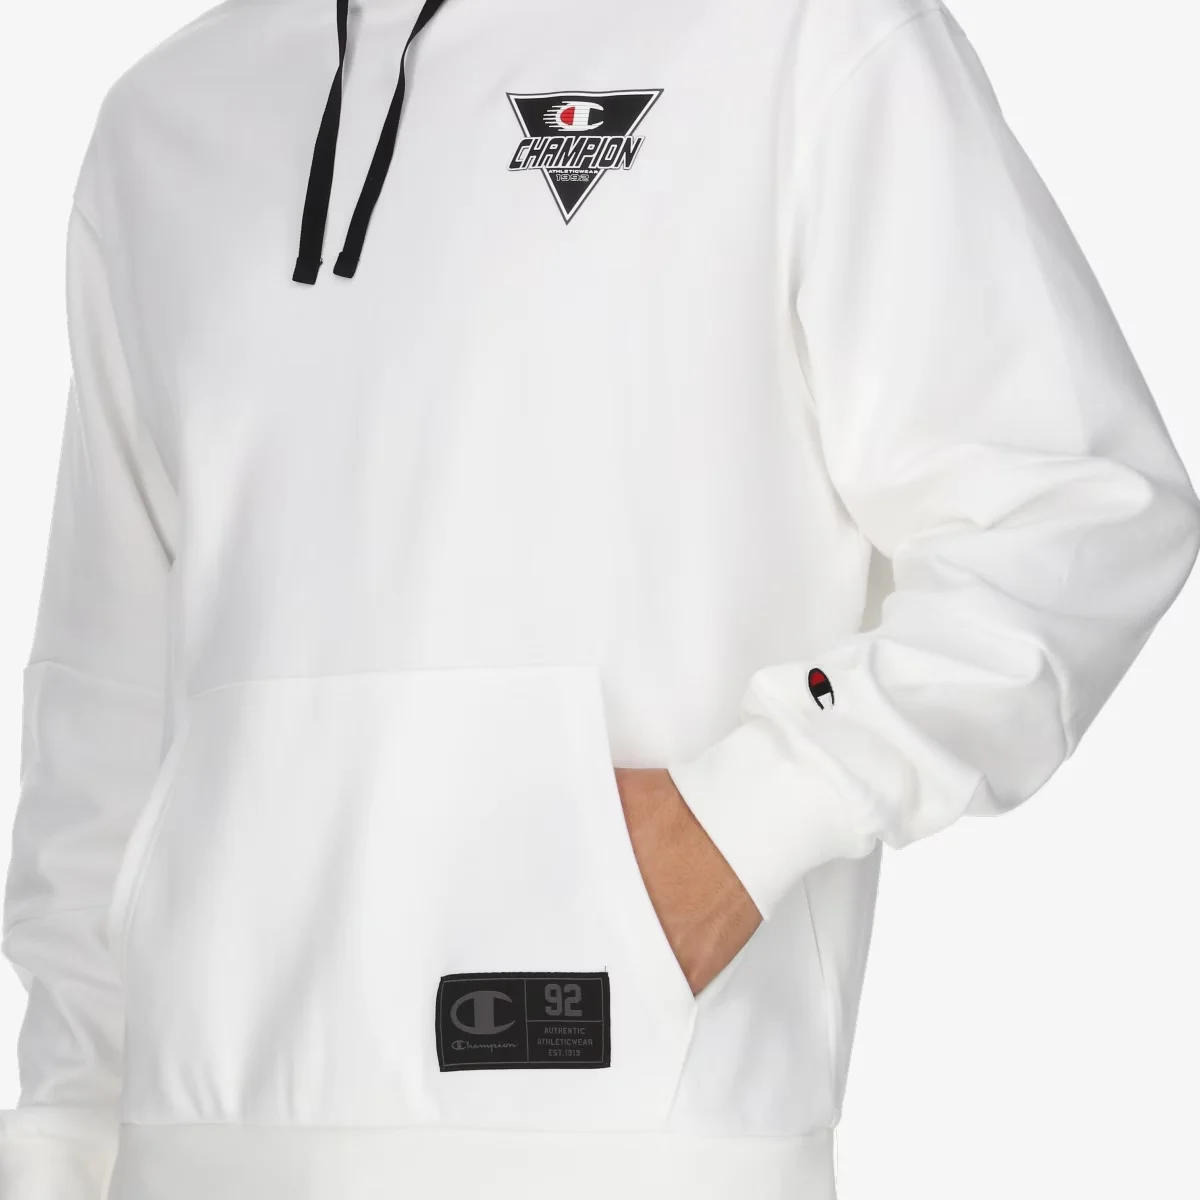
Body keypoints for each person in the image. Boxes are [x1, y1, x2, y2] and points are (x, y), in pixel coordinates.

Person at [1, 0, 1197, 1197]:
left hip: (636, 1126)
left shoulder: (802, 34)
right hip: (190, 1140)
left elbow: (1076, 510)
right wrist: (60, 1133)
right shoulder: (165, 120)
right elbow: (103, 698)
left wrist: (755, 811)